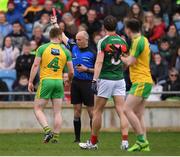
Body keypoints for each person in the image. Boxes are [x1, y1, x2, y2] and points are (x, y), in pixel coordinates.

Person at [78, 15, 129, 150]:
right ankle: (125, 142)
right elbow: (126, 61)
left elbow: (99, 62)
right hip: (119, 79)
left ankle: (93, 142)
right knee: (121, 110)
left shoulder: (103, 41)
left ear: (104, 27)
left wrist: (94, 79)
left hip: (106, 79)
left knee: (97, 111)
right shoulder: (123, 41)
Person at [51, 16, 96, 143]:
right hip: (76, 83)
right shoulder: (74, 47)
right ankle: (77, 139)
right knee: (76, 111)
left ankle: (94, 138)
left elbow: (99, 71)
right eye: (76, 39)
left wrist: (87, 70)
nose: (76, 41)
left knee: (91, 112)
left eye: (79, 39)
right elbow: (62, 35)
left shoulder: (93, 52)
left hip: (88, 83)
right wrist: (55, 23)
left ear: (86, 40)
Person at [28, 27, 74, 143]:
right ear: (59, 37)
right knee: (57, 112)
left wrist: (30, 81)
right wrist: (68, 80)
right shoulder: (66, 51)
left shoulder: (42, 48)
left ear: (50, 36)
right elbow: (71, 71)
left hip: (46, 81)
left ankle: (48, 131)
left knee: (38, 109)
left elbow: (35, 65)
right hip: (59, 81)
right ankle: (56, 138)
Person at [120, 18, 153, 152]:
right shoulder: (143, 39)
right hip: (145, 80)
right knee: (138, 114)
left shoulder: (137, 41)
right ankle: (145, 144)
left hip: (141, 81)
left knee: (126, 109)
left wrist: (120, 56)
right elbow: (134, 59)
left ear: (128, 29)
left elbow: (130, 62)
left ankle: (141, 141)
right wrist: (125, 56)